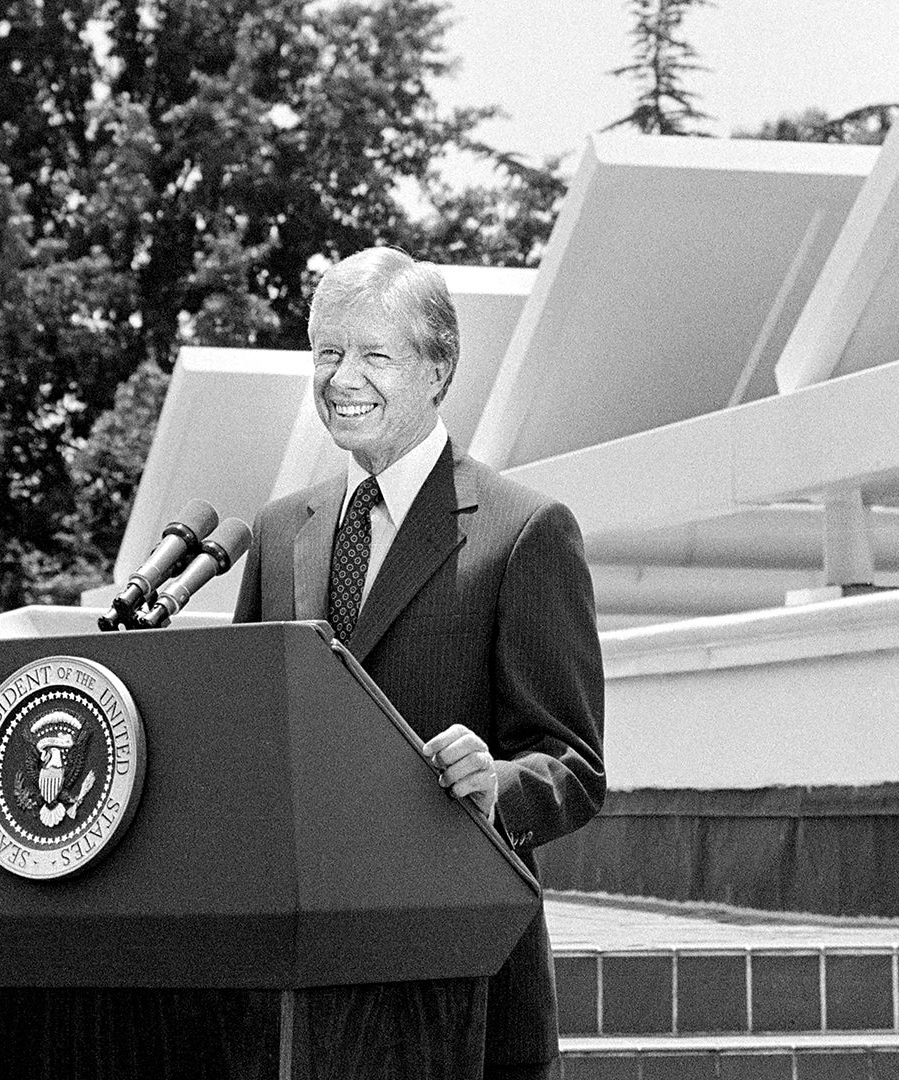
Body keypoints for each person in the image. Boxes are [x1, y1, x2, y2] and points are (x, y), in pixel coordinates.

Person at [234, 247, 605, 1078]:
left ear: (439, 370)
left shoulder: (524, 532)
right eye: (327, 353)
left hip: (462, 990)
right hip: (295, 989)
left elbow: (575, 767)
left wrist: (497, 784)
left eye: (373, 355)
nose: (341, 378)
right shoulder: (278, 530)